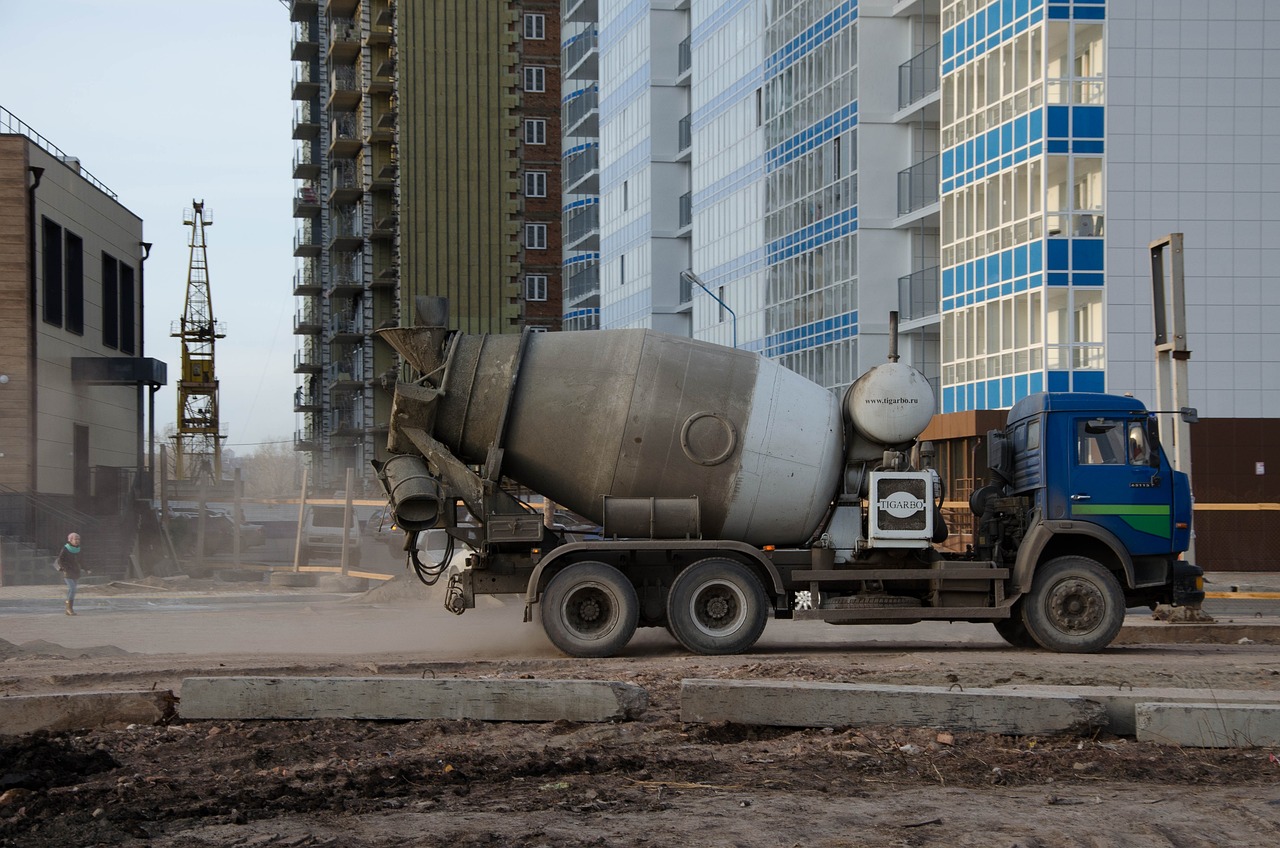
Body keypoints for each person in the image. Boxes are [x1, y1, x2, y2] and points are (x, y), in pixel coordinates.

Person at [55, 532, 83, 616]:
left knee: (72, 590)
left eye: (78, 539)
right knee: (72, 589)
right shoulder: (66, 548)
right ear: (70, 540)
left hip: (75, 571)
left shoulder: (78, 549)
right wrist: (65, 568)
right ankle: (69, 609)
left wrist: (87, 568)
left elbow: (81, 560)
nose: (77, 541)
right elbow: (60, 559)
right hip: (68, 572)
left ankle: (68, 609)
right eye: (75, 539)